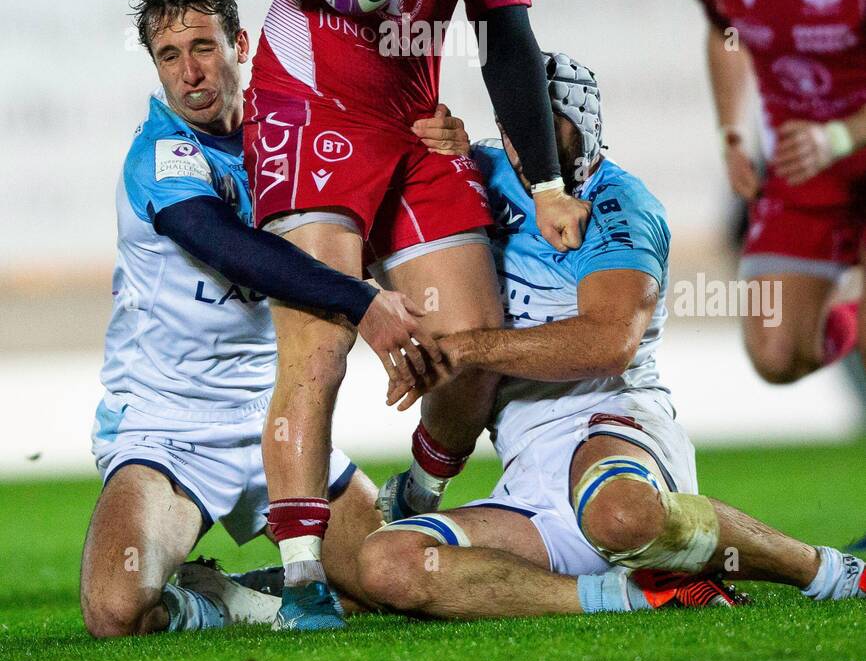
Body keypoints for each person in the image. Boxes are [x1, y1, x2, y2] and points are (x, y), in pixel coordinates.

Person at [224, 0, 590, 630]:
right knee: (320, 342)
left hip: (415, 126)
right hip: (307, 115)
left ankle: (414, 505)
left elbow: (507, 39)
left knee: (472, 346)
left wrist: (546, 181)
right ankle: (304, 572)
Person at [357, 55, 866, 618]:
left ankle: (825, 571)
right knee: (388, 563)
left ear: (583, 121)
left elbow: (607, 343)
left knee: (620, 518)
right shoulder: (478, 172)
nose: (530, 142)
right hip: (528, 477)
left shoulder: (618, 204)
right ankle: (630, 595)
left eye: (548, 124)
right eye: (516, 124)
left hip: (616, 425)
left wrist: (469, 346)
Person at [81, 0, 451, 638]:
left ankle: (251, 587)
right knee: (117, 609)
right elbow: (232, 249)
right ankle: (216, 605)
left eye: (202, 47)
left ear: (240, 45)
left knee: (388, 584)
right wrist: (363, 300)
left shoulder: (292, 138)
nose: (189, 72)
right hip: (168, 424)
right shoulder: (162, 156)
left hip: (278, 418)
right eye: (168, 55)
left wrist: (440, 143)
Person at [691, 0, 866, 385]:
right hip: (802, 166)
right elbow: (724, 36)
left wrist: (839, 134)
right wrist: (732, 133)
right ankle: (848, 314)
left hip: (850, 141)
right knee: (773, 354)